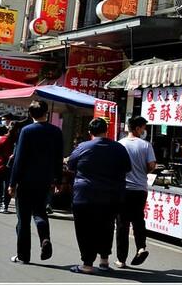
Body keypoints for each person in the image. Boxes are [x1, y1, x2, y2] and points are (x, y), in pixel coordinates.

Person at [67, 117, 131, 274]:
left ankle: (87, 264)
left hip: (85, 195)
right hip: (111, 195)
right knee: (107, 227)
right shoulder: (118, 148)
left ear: (90, 133)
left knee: (84, 229)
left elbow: (70, 164)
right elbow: (127, 168)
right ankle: (104, 261)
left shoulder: (83, 147)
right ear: (106, 131)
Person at [7, 100, 63, 265]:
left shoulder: (27, 130)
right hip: (45, 180)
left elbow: (19, 158)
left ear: (30, 114)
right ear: (47, 113)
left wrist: (12, 182)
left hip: (26, 180)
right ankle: (44, 239)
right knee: (40, 212)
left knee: (23, 219)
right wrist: (58, 180)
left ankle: (23, 254)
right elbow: (58, 158)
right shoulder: (56, 131)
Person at [115, 116, 156, 268]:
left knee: (122, 224)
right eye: (143, 127)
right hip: (140, 189)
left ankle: (121, 259)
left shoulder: (120, 144)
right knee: (138, 220)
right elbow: (152, 165)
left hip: (123, 189)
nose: (144, 130)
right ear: (137, 128)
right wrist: (143, 170)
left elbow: (116, 166)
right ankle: (141, 248)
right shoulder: (146, 145)